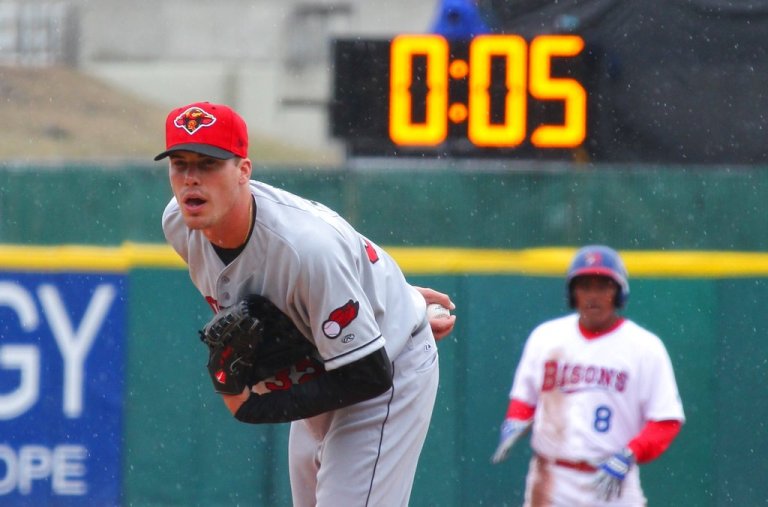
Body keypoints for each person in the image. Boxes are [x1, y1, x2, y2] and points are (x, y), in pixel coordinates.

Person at [155, 101, 456, 507]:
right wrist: (377, 294)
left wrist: (252, 406)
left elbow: (368, 374)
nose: (191, 178)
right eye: (179, 163)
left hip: (386, 369)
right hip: (321, 366)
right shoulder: (179, 222)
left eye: (208, 164)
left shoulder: (305, 248)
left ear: (244, 171)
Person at [490, 245, 685, 506]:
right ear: (573, 292)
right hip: (551, 479)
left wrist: (630, 453)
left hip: (613, 481)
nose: (593, 295)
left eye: (603, 286)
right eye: (584, 285)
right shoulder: (546, 337)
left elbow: (666, 420)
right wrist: (514, 420)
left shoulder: (645, 347)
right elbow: (524, 398)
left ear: (618, 292)